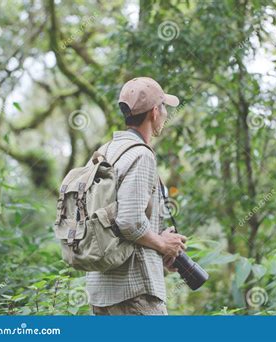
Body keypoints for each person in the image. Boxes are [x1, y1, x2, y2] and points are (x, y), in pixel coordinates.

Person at [87, 77, 187, 315]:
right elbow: (129, 221)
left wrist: (157, 247)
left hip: (101, 292)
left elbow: (114, 222)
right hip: (134, 293)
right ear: (154, 112)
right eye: (164, 108)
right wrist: (163, 243)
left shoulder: (105, 152)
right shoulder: (141, 155)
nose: (165, 114)